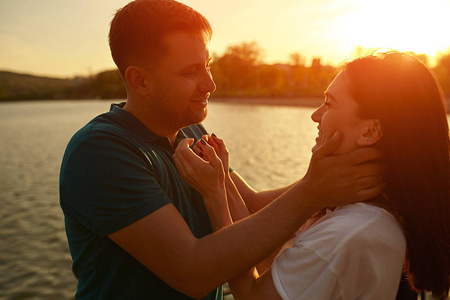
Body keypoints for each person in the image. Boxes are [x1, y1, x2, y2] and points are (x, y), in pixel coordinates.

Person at [59, 0, 385, 299]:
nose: (210, 84)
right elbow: (193, 272)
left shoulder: (191, 131)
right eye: (190, 72)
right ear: (140, 81)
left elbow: (252, 206)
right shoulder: (100, 152)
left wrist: (340, 182)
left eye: (207, 65)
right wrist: (313, 192)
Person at [174, 51, 450, 299]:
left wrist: (214, 195)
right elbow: (266, 259)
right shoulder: (351, 204)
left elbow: (251, 294)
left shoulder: (351, 230)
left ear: (369, 131)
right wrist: (222, 181)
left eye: (329, 104)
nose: (315, 116)